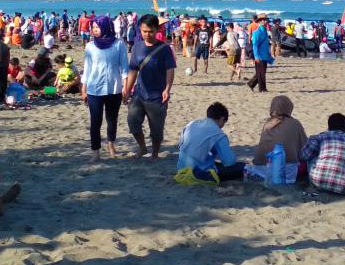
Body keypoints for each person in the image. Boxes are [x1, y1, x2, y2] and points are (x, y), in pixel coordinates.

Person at [124, 14, 176, 160]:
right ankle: (142, 147)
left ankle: (155, 152)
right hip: (139, 93)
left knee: (156, 129)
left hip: (157, 95)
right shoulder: (137, 47)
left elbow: (170, 70)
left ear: (157, 29)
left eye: (150, 31)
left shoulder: (164, 49)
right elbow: (133, 69)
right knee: (133, 122)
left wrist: (167, 89)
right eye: (144, 31)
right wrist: (127, 90)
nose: (147, 34)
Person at [82, 16, 129, 161]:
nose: (95, 30)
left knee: (112, 119)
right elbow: (87, 68)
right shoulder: (90, 46)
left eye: (97, 27)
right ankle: (95, 151)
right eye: (93, 27)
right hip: (94, 89)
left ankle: (111, 146)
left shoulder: (119, 44)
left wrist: (126, 88)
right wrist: (84, 89)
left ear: (106, 27)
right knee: (95, 122)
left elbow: (125, 68)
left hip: (114, 88)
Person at [175, 102, 244, 184]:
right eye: (224, 123)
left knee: (217, 164)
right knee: (242, 167)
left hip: (181, 168)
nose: (222, 126)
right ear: (222, 119)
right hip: (199, 173)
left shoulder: (191, 124)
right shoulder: (218, 134)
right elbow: (229, 162)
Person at [300, 113, 345, 195]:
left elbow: (304, 155)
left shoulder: (320, 137)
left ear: (328, 127)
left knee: (312, 153)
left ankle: (312, 185)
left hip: (318, 181)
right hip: (343, 187)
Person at [248, 95, 309, 183]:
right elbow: (305, 147)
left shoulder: (267, 124)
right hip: (285, 173)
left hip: (261, 170)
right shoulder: (295, 124)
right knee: (306, 164)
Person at [247, 13, 275, 92]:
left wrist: (269, 53)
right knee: (261, 73)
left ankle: (251, 83)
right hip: (259, 55)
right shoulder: (257, 32)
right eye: (263, 20)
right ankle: (262, 89)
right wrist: (256, 57)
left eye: (265, 20)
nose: (265, 21)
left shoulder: (264, 30)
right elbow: (255, 45)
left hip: (264, 54)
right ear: (259, 21)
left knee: (261, 72)